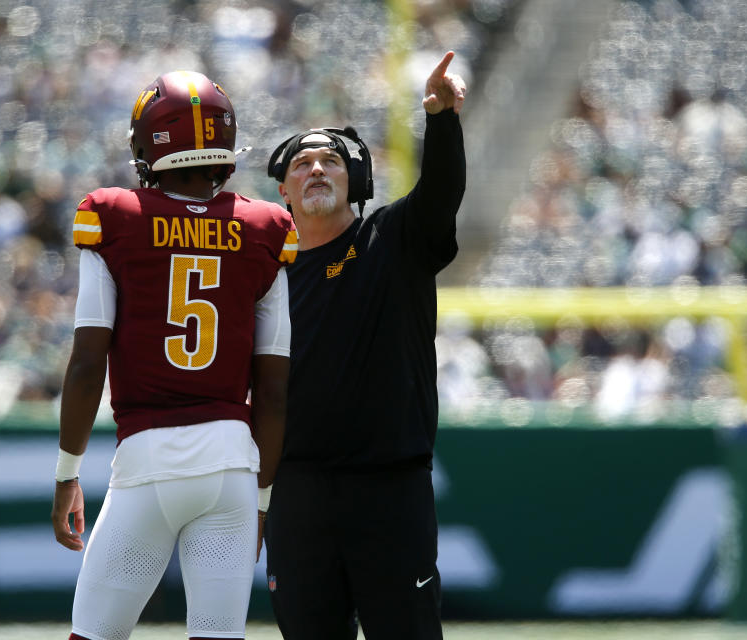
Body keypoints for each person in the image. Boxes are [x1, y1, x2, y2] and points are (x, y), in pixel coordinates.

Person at [50, 70, 297, 640]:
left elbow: (89, 360)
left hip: (149, 460)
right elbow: (276, 388)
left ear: (146, 144)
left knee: (95, 635)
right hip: (233, 463)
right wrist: (261, 498)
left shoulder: (114, 216)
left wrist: (67, 473)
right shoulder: (264, 226)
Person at [262, 51, 467, 639]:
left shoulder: (393, 239)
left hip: (389, 490)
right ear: (283, 188)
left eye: (331, 161)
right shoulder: (263, 273)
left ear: (357, 181)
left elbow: (441, 192)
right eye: (303, 164)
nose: (317, 170)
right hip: (296, 495)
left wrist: (442, 120)